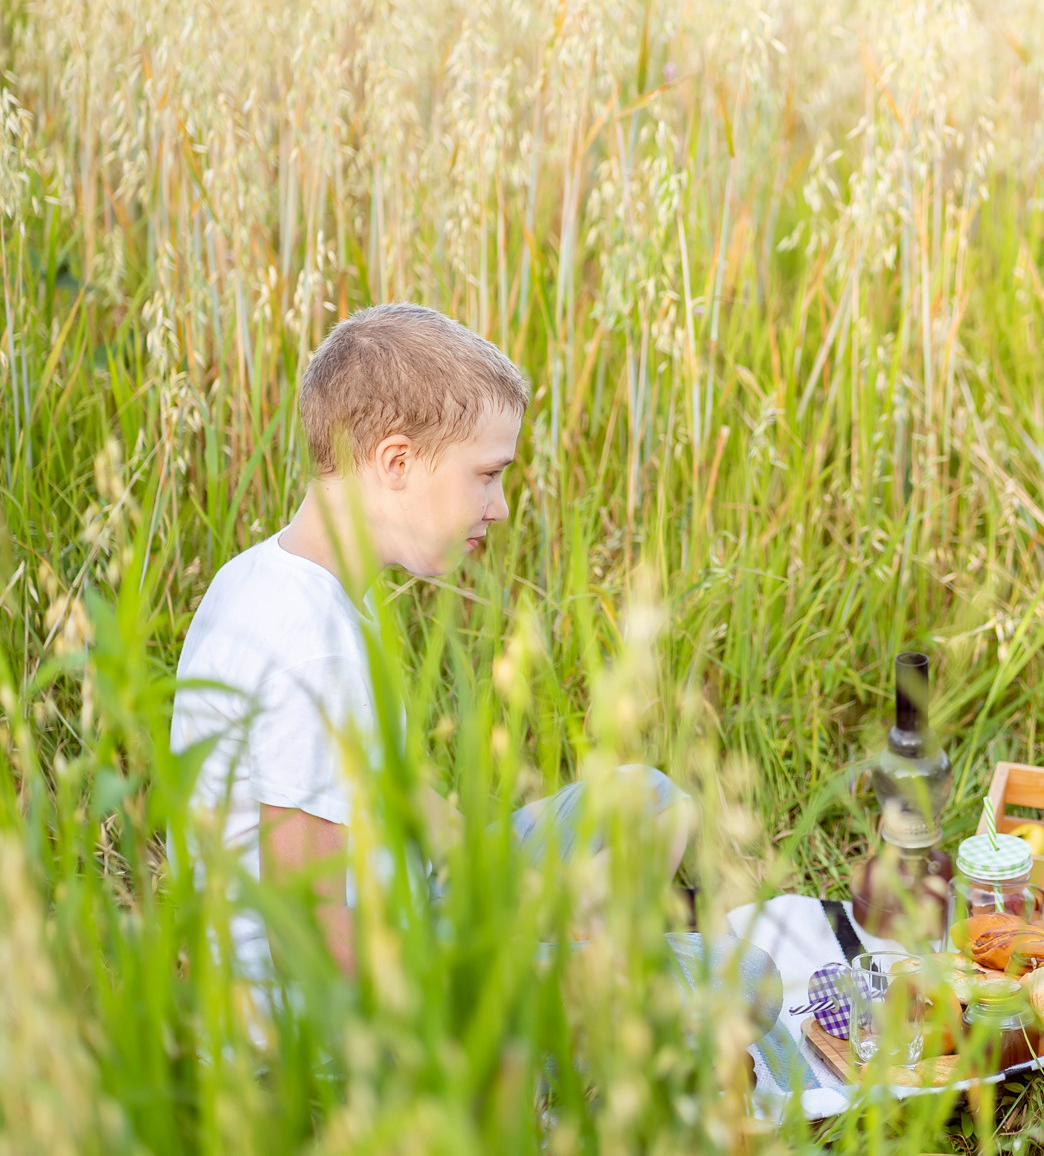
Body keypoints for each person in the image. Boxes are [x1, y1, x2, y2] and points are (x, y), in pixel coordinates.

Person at [171, 304, 775, 1028]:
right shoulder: (311, 642)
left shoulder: (275, 579)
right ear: (396, 462)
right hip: (351, 1015)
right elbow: (309, 936)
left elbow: (391, 789)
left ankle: (596, 981)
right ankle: (565, 1050)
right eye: (486, 475)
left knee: (650, 801)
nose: (502, 506)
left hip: (413, 906)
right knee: (752, 985)